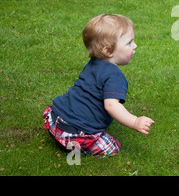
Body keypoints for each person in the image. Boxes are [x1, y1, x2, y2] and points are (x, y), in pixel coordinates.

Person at [43, 14, 154, 157]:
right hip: (75, 131)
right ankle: (74, 144)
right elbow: (111, 106)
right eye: (129, 43)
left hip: (55, 118)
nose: (135, 46)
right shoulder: (115, 76)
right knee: (113, 148)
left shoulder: (93, 64)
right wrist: (135, 121)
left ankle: (62, 137)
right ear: (108, 51)